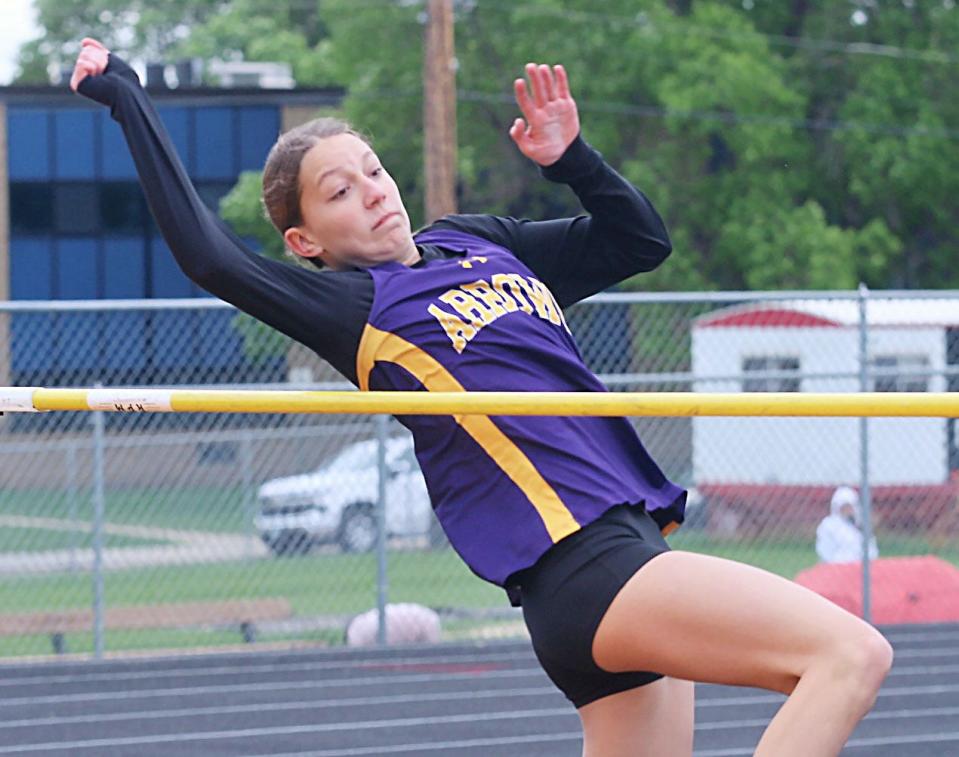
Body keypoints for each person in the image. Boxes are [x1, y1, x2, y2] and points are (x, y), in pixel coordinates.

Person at [71, 38, 892, 756]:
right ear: (304, 241)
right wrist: (129, 98)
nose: (373, 189)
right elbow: (211, 260)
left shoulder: (476, 242)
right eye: (340, 192)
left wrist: (571, 160)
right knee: (848, 656)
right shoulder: (355, 308)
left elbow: (639, 241)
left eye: (372, 169)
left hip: (626, 551)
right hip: (584, 568)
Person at [816, 486, 879, 564]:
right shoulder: (828, 525)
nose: (848, 509)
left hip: (859, 567)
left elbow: (871, 549)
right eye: (845, 506)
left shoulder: (859, 525)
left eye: (850, 505)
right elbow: (826, 552)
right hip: (837, 567)